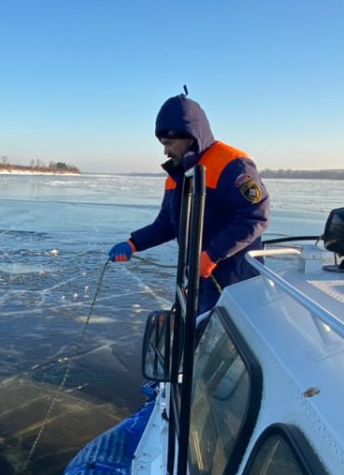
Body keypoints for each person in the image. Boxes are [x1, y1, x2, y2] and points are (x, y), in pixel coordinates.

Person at [108, 93, 270, 313]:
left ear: (189, 136)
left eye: (169, 143)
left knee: (216, 336)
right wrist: (133, 244)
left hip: (235, 279)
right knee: (193, 331)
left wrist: (213, 255)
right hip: (198, 276)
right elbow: (167, 224)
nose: (165, 151)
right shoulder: (177, 175)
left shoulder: (233, 165)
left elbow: (254, 217)